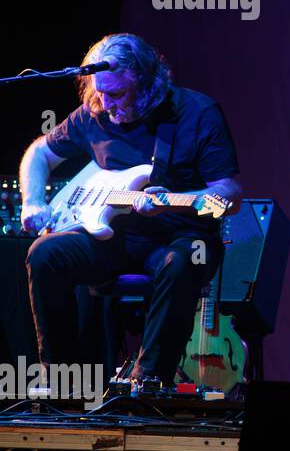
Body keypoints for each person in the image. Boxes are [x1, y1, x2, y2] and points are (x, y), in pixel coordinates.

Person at [20, 33, 242, 391]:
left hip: (180, 236)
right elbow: (39, 153)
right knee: (45, 254)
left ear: (149, 81)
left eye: (118, 94)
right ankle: (63, 381)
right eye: (100, 92)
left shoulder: (197, 113)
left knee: (182, 263)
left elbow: (227, 193)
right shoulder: (93, 113)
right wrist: (33, 201)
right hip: (113, 239)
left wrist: (176, 198)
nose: (106, 103)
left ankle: (150, 382)